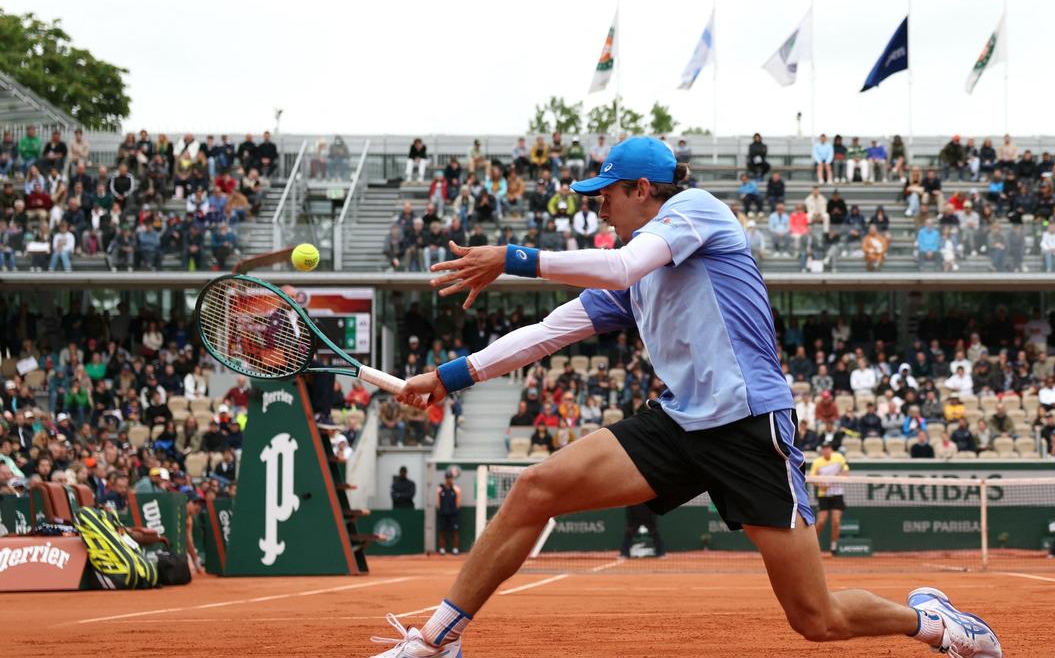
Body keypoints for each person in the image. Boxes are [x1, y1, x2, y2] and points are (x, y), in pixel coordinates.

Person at [379, 136, 1001, 658]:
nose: (601, 211)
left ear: (643, 191)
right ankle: (437, 641)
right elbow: (551, 332)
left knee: (817, 619)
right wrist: (450, 376)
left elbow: (622, 266)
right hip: (679, 424)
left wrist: (515, 258)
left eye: (608, 196)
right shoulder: (635, 270)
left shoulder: (699, 210)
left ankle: (936, 624)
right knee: (534, 489)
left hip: (749, 424)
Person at [808, 442, 848, 555]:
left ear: (831, 449)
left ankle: (834, 547)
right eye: (824, 448)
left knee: (836, 521)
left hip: (837, 494)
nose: (826, 450)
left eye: (828, 448)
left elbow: (845, 472)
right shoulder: (817, 462)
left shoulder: (839, 457)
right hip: (823, 495)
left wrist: (834, 480)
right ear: (821, 451)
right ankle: (811, 546)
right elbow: (811, 478)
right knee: (820, 522)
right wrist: (820, 485)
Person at [436, 471, 462, 555]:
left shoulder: (456, 489)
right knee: (442, 532)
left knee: (455, 531)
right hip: (443, 514)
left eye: (450, 478)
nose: (448, 479)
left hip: (453, 514)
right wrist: (441, 510)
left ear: (452, 479)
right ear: (445, 478)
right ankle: (442, 549)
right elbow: (438, 503)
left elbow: (458, 502)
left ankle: (455, 549)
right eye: (447, 478)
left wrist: (455, 510)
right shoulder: (440, 489)